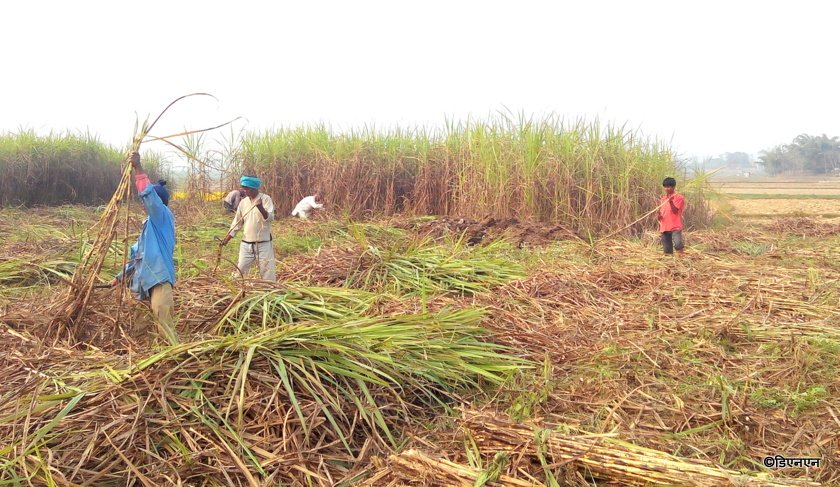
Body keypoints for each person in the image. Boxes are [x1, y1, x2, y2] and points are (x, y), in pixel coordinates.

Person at [112, 151, 179, 345]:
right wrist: (119, 278)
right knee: (143, 331)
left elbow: (149, 196)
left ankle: (175, 359)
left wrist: (138, 168)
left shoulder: (163, 217)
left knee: (165, 329)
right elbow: (137, 257)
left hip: (159, 281)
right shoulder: (148, 225)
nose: (144, 204)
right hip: (144, 284)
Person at [220, 175, 276, 281]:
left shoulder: (265, 199)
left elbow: (270, 218)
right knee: (240, 271)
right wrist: (227, 238)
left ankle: (271, 292)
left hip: (263, 244)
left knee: (268, 272)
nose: (245, 190)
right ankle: (237, 291)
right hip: (246, 245)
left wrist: (260, 207)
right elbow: (237, 222)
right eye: (243, 188)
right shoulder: (243, 202)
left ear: (255, 188)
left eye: (247, 188)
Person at [658, 177, 686, 256]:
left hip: (675, 226)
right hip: (664, 227)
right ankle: (671, 265)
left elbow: (675, 211)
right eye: (665, 187)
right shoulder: (663, 199)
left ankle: (682, 260)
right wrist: (659, 216)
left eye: (669, 186)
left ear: (673, 187)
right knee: (667, 251)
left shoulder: (679, 198)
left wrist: (671, 202)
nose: (667, 188)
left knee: (677, 244)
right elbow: (662, 214)